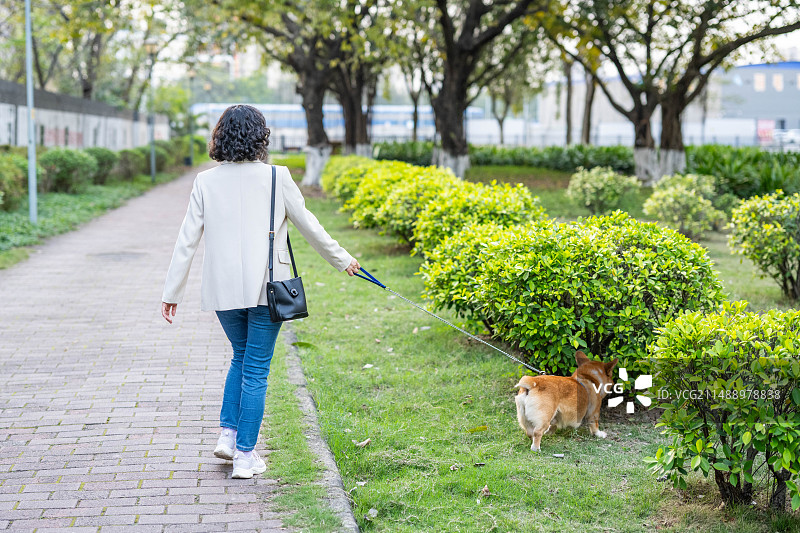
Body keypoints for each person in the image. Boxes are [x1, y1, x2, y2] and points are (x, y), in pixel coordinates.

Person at [160, 104, 360, 479]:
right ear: (260, 136)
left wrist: (172, 292)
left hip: (222, 290)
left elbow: (186, 241)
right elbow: (310, 225)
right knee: (255, 369)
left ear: (220, 136)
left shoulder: (204, 181)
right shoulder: (276, 177)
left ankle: (228, 434)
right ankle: (245, 457)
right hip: (269, 288)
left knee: (241, 357)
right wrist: (342, 259)